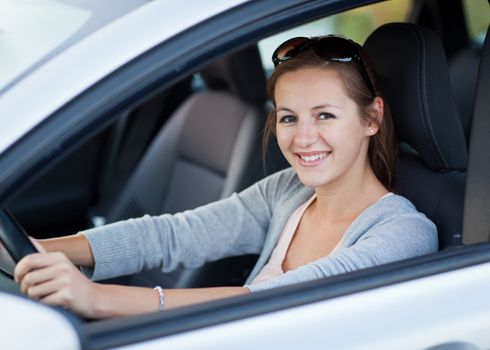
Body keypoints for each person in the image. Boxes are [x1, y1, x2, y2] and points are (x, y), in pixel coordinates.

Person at [14, 35, 438, 319]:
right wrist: (34, 249)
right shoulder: (288, 192)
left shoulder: (402, 232)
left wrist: (97, 297)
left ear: (372, 118)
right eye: (288, 117)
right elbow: (174, 235)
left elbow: (275, 302)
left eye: (325, 115)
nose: (303, 138)